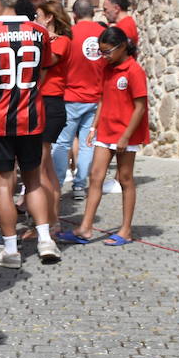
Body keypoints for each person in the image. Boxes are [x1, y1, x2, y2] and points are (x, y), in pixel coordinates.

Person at [0, 0, 58, 267]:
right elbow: (44, 69)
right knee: (33, 181)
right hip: (32, 115)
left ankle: (11, 249)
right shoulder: (39, 32)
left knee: (2, 186)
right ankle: (46, 240)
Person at [59, 26, 148, 246]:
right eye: (101, 52)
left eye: (107, 51)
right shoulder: (106, 68)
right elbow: (101, 99)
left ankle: (126, 229)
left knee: (125, 179)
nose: (104, 56)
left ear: (122, 47)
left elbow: (140, 107)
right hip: (105, 132)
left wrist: (126, 137)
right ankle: (85, 229)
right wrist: (93, 128)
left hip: (126, 134)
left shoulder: (134, 71)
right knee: (95, 177)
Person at [55, 0, 105, 201]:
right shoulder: (104, 34)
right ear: (93, 12)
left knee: (62, 143)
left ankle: (56, 183)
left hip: (70, 95)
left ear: (74, 14)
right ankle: (80, 186)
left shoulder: (69, 35)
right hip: (97, 97)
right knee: (87, 144)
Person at [35, 0, 73, 235]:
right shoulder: (49, 41)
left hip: (51, 105)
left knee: (40, 169)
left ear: (49, 17)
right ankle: (52, 221)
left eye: (38, 15)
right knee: (46, 169)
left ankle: (48, 224)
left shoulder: (62, 42)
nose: (35, 19)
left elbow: (45, 63)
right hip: (44, 104)